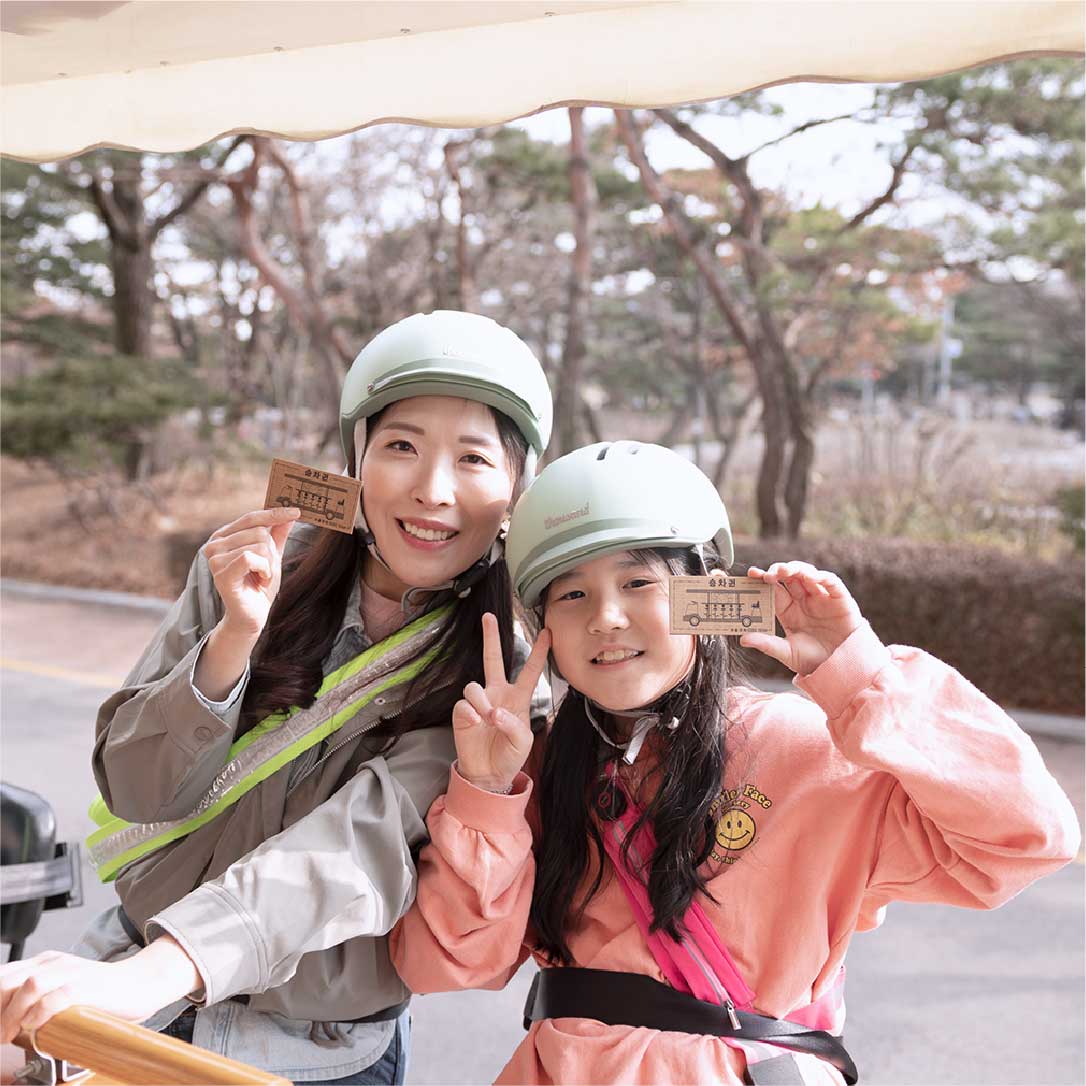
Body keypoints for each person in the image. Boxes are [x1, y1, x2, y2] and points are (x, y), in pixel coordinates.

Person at [383, 440, 1081, 1085]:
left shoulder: (808, 751)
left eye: (638, 584)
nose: (607, 618)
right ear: (546, 633)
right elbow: (444, 964)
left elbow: (1024, 839)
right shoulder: (535, 768)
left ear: (702, 596)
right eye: (572, 594)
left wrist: (861, 678)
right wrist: (486, 790)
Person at [0, 311, 553, 1086]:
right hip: (124, 971)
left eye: (473, 459)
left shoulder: (503, 677)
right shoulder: (257, 566)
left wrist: (152, 976)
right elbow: (135, 788)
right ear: (355, 458)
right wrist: (231, 641)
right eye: (402, 446)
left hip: (308, 1047)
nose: (433, 491)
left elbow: (356, 850)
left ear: (514, 490)